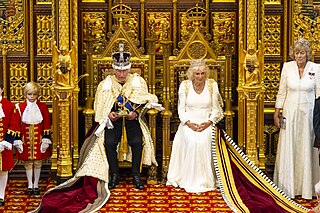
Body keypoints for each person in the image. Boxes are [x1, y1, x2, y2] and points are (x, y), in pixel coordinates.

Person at [94, 43, 159, 190]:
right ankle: (114, 174)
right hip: (113, 121)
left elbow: (144, 101)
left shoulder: (137, 81)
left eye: (124, 71)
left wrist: (136, 113)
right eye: (118, 71)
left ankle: (136, 175)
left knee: (137, 141)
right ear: (114, 69)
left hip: (132, 120)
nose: (121, 74)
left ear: (129, 69)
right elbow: (100, 105)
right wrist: (108, 115)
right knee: (109, 142)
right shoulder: (106, 84)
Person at [166, 59, 224, 193]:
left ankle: (206, 181)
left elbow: (216, 109)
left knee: (205, 141)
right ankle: (188, 179)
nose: (200, 77)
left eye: (203, 73)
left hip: (207, 123)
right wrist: (189, 123)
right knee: (192, 141)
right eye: (197, 74)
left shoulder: (212, 85)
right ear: (192, 74)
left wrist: (209, 122)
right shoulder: (185, 85)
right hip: (189, 123)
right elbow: (181, 109)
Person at [273, 38, 320, 199]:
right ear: (293, 54)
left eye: (302, 53)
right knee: (290, 146)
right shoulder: (287, 67)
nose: (299, 56)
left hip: (309, 114)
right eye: (296, 53)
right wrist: (277, 111)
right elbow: (281, 91)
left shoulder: (316, 68)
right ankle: (288, 187)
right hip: (290, 113)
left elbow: (319, 95)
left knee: (306, 146)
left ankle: (307, 188)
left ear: (307, 54)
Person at [15, 82, 52, 195]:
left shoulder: (42, 106)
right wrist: (17, 140)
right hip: (25, 140)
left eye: (34, 94)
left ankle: (36, 184)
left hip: (38, 139)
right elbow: (16, 125)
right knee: (28, 163)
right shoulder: (20, 107)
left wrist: (46, 140)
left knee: (37, 162)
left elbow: (46, 123)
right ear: (25, 94)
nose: (32, 97)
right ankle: (29, 185)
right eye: (30, 94)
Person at [0, 80, 21, 206]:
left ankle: (1, 195)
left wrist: (5, 142)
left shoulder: (9, 105)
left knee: (3, 170)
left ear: (1, 89)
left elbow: (14, 125)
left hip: (4, 144)